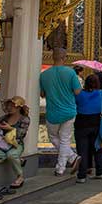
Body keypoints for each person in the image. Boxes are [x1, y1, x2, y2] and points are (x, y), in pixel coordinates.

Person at [39, 47, 82, 176]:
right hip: (69, 111)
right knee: (64, 139)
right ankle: (70, 160)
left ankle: (63, 165)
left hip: (53, 111)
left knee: (54, 137)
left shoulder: (44, 74)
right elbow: (77, 91)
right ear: (65, 58)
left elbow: (42, 94)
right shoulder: (70, 73)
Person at [0, 96, 30, 188]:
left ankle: (20, 176)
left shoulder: (24, 119)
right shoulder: (4, 118)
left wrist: (10, 128)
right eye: (8, 106)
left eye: (12, 106)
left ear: (18, 107)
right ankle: (17, 161)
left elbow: (21, 134)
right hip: (1, 143)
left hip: (15, 143)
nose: (9, 108)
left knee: (12, 155)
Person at [74, 74, 102, 183]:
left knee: (82, 150)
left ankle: (82, 175)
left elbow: (75, 104)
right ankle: (100, 171)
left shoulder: (80, 94)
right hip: (96, 122)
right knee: (97, 147)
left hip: (81, 122)